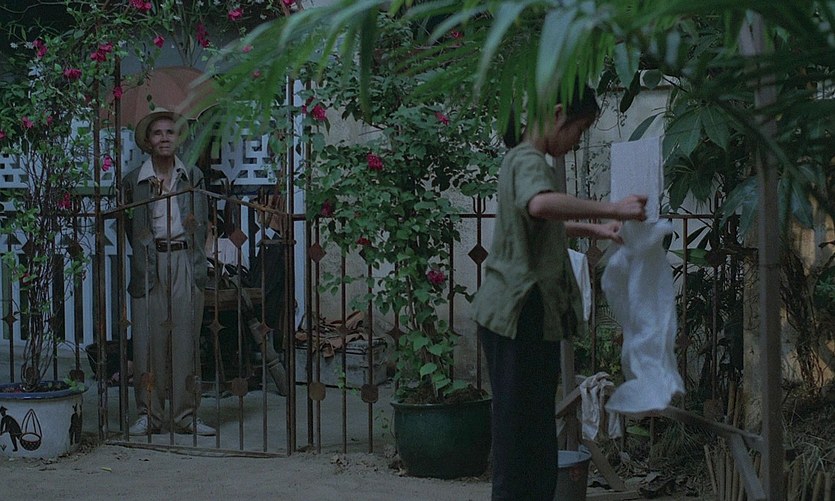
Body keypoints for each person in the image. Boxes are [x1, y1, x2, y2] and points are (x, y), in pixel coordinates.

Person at [471, 86, 648, 500]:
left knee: (531, 433)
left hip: (520, 317)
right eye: (580, 130)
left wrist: (594, 229)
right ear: (556, 115)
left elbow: (541, 223)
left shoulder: (523, 161)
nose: (577, 142)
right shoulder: (527, 160)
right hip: (518, 316)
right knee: (522, 440)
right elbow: (540, 206)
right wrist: (612, 209)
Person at [123, 108, 214, 436]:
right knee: (148, 342)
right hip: (149, 263)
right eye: (157, 133)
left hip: (185, 260)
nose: (164, 138)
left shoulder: (192, 175)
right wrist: (144, 253)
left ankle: (186, 416)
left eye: (170, 132)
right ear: (148, 141)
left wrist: (198, 260)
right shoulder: (134, 180)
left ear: (178, 139)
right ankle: (149, 414)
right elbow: (129, 226)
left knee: (185, 340)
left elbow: (202, 221)